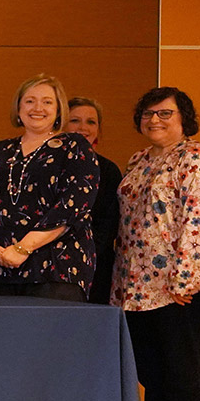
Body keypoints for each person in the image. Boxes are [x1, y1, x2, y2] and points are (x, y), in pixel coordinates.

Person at [113, 87, 200, 401]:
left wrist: (185, 280)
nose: (154, 120)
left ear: (183, 118)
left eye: (164, 113)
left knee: (181, 367)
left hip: (182, 285)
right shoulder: (139, 160)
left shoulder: (198, 158)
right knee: (151, 367)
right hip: (137, 284)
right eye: (148, 114)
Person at [0, 75, 99, 302]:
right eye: (29, 101)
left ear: (59, 110)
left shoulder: (74, 146)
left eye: (47, 102)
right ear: (18, 108)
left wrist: (23, 249)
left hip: (55, 271)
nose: (38, 108)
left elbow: (72, 206)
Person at [68, 97, 122, 305]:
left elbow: (109, 226)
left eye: (91, 122)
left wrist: (81, 259)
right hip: (51, 270)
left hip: (96, 269)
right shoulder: (47, 166)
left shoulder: (108, 170)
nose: (83, 127)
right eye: (75, 120)